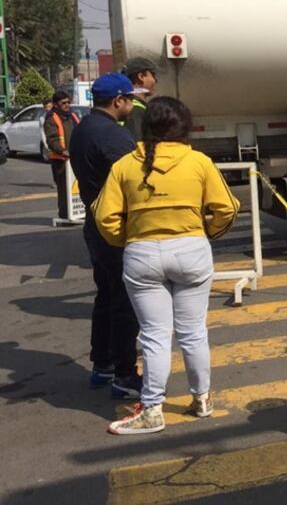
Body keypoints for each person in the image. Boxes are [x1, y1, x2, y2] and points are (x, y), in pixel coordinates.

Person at [94, 97, 239, 435]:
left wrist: (127, 239)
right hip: (191, 251)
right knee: (193, 332)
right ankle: (201, 399)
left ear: (146, 128)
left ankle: (153, 408)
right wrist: (206, 233)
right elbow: (227, 208)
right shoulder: (198, 162)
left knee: (156, 335)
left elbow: (105, 217)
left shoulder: (126, 166)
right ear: (184, 126)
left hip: (142, 254)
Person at [68, 73, 141, 399]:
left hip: (94, 224)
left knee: (107, 296)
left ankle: (102, 364)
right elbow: (137, 179)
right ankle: (125, 374)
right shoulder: (112, 136)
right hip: (115, 227)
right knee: (125, 301)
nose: (132, 104)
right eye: (130, 99)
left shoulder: (83, 128)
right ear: (118, 101)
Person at [42, 91, 81, 219]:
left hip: (75, 158)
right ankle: (65, 215)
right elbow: (51, 140)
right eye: (63, 103)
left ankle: (77, 213)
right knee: (64, 189)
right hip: (60, 160)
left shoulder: (72, 115)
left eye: (68, 102)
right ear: (55, 104)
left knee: (77, 187)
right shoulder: (51, 118)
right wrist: (63, 150)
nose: (67, 105)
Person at [122, 57, 158, 141]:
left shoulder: (126, 105)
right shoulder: (135, 110)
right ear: (141, 76)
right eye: (152, 75)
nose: (155, 80)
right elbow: (137, 146)